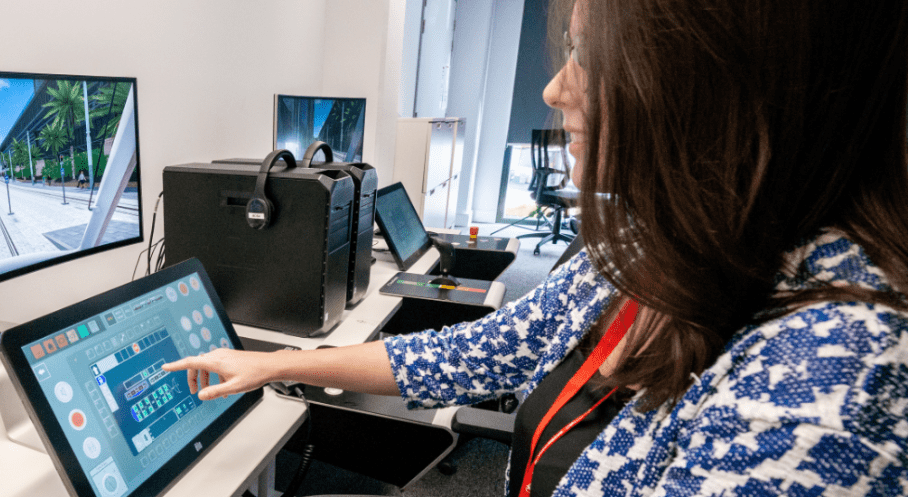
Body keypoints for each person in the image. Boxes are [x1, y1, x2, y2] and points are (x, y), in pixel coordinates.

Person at [164, 1, 908, 495]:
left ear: (720, 83)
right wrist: (275, 362)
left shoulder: (827, 384)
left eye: (589, 55)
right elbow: (475, 353)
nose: (553, 89)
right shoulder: (649, 248)